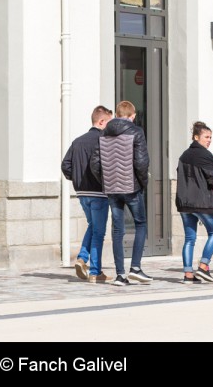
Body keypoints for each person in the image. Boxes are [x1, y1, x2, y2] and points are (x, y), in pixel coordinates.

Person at [91, 100, 152, 286]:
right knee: (141, 223)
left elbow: (95, 163)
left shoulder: (103, 133)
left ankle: (119, 275)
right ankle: (135, 268)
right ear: (132, 116)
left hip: (112, 188)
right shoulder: (137, 131)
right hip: (131, 186)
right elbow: (141, 163)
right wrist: (143, 183)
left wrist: (105, 181)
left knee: (118, 230)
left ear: (117, 115)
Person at [62, 105, 112, 284]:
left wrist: (76, 179)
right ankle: (95, 271)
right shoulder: (104, 140)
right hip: (99, 192)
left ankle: (83, 257)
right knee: (99, 232)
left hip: (82, 192)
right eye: (109, 122)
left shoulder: (78, 141)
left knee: (93, 226)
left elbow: (65, 165)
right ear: (101, 121)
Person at [176, 122, 213, 284]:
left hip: (184, 203)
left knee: (189, 238)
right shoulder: (205, 155)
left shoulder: (183, 155)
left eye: (210, 137)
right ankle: (203, 265)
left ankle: (188, 274)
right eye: (206, 137)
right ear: (196, 137)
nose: (209, 140)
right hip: (202, 202)